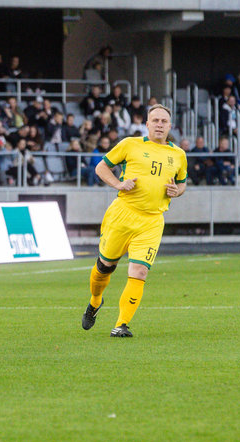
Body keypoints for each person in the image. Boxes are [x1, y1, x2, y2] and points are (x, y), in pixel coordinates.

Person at [81, 104, 187, 337]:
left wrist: (176, 191)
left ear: (170, 126)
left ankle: (121, 324)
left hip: (152, 221)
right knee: (104, 268)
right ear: (147, 124)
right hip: (122, 215)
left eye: (164, 121)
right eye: (155, 121)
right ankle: (95, 301)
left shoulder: (178, 154)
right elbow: (101, 167)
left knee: (139, 272)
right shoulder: (130, 144)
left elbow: (182, 183)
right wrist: (118, 184)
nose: (159, 124)